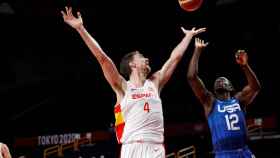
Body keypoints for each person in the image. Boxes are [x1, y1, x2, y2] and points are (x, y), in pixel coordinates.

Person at [61, 6, 206, 158]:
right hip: (132, 148)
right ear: (132, 64)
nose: (147, 58)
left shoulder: (155, 83)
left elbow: (174, 58)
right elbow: (102, 58)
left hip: (156, 148)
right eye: (142, 56)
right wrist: (80, 28)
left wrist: (188, 36)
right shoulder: (123, 87)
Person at [187, 38, 261, 158]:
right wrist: (197, 51)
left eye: (223, 80)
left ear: (231, 87)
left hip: (244, 151)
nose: (219, 80)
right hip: (224, 154)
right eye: (217, 81)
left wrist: (245, 66)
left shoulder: (239, 100)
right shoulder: (210, 102)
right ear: (214, 90)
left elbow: (255, 87)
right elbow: (191, 77)